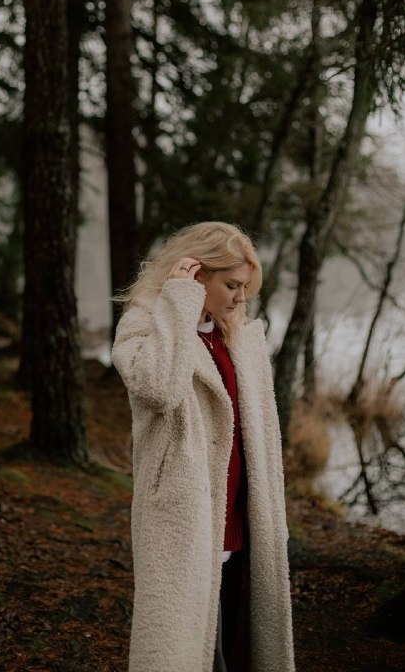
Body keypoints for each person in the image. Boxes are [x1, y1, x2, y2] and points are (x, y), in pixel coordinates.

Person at [111, 222, 295, 672]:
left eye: (245, 288)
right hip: (185, 520)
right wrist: (178, 303)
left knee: (235, 648)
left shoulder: (238, 335)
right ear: (197, 276)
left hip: (243, 522)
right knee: (184, 650)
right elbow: (158, 388)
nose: (239, 298)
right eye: (231, 285)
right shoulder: (146, 325)